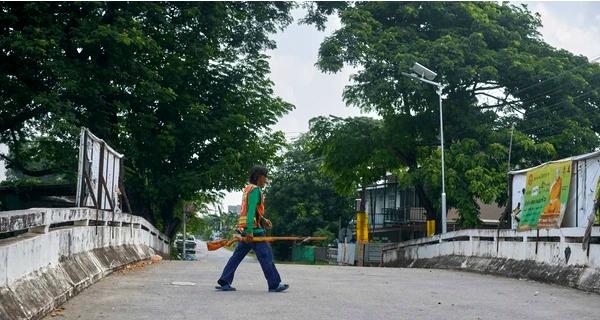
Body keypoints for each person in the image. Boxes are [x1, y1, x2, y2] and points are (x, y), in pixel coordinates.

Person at [215, 165, 289, 292]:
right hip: (254, 232)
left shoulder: (248, 189)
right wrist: (250, 230)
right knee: (266, 257)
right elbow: (250, 211)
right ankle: (274, 284)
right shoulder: (255, 190)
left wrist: (263, 220)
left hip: (246, 230)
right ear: (260, 177)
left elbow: (253, 211)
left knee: (237, 256)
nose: (266, 180)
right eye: (265, 177)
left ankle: (224, 281)